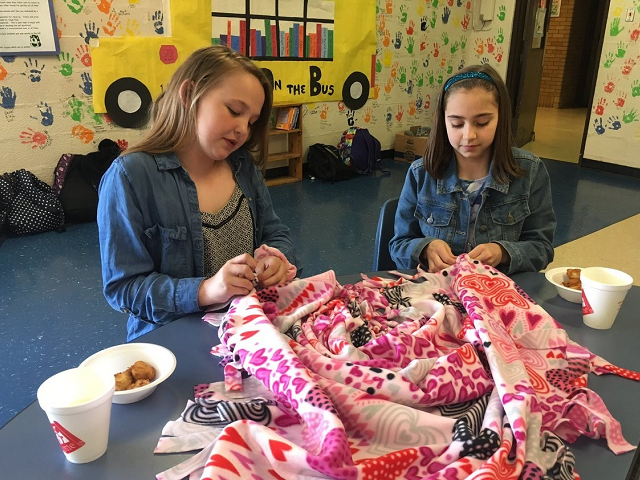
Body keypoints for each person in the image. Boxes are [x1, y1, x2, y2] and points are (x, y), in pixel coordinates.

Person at [97, 45, 300, 340]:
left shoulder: (243, 166)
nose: (243, 129)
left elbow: (275, 231)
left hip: (248, 330)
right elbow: (124, 288)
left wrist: (278, 258)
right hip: (174, 340)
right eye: (234, 111)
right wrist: (205, 290)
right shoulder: (131, 176)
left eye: (252, 122)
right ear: (190, 94)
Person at [390, 64, 556, 275]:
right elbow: (398, 245)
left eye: (482, 122)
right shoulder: (421, 173)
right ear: (443, 122)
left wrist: (503, 252)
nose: (469, 136)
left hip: (499, 294)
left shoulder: (530, 170)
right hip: (438, 293)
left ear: (500, 118)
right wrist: (425, 248)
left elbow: (542, 248)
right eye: (457, 124)